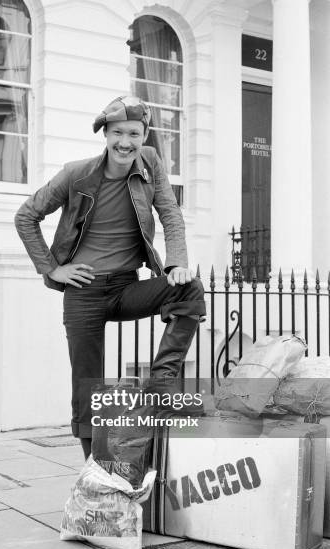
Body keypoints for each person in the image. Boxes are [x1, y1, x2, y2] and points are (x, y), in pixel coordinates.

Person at [15, 95, 206, 460]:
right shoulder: (77, 174)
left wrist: (175, 263)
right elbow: (26, 216)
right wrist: (53, 269)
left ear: (145, 134)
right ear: (105, 134)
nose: (125, 142)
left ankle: (161, 384)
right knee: (87, 384)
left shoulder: (150, 163)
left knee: (188, 288)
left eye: (134, 133)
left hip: (125, 287)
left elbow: (170, 213)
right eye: (117, 132)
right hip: (83, 293)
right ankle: (96, 471)